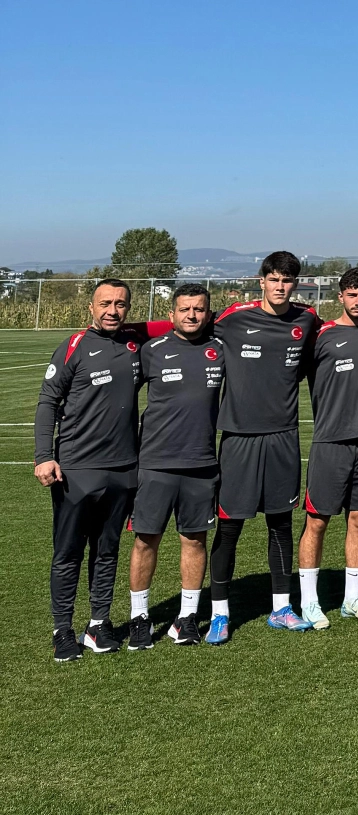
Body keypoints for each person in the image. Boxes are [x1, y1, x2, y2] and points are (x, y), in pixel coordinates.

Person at [34, 279, 171, 660]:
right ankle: (63, 630)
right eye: (105, 303)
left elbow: (170, 324)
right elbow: (48, 401)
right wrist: (44, 456)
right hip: (76, 469)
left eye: (121, 304)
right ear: (90, 307)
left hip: (124, 469)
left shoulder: (134, 343)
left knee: (107, 551)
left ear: (129, 308)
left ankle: (98, 625)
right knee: (68, 553)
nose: (113, 310)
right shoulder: (74, 346)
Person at [207, 251, 321, 641]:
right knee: (229, 526)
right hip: (239, 437)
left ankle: (281, 608)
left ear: (295, 284)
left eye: (287, 281)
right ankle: (219, 614)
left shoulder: (306, 320)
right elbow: (190, 322)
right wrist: (131, 329)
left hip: (283, 437)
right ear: (262, 281)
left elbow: (336, 333)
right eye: (274, 279)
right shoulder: (234, 317)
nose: (280, 286)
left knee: (280, 523)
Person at [127, 283, 222, 649]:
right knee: (145, 540)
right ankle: (139, 617)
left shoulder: (220, 350)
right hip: (155, 463)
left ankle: (186, 618)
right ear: (172, 314)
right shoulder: (151, 351)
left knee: (194, 540)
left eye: (198, 309)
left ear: (208, 314)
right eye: (185, 309)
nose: (191, 315)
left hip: (201, 463)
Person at [296, 267, 358, 628]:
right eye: (352, 294)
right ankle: (309, 601)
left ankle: (353, 598)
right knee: (317, 522)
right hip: (330, 442)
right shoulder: (320, 335)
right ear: (341, 296)